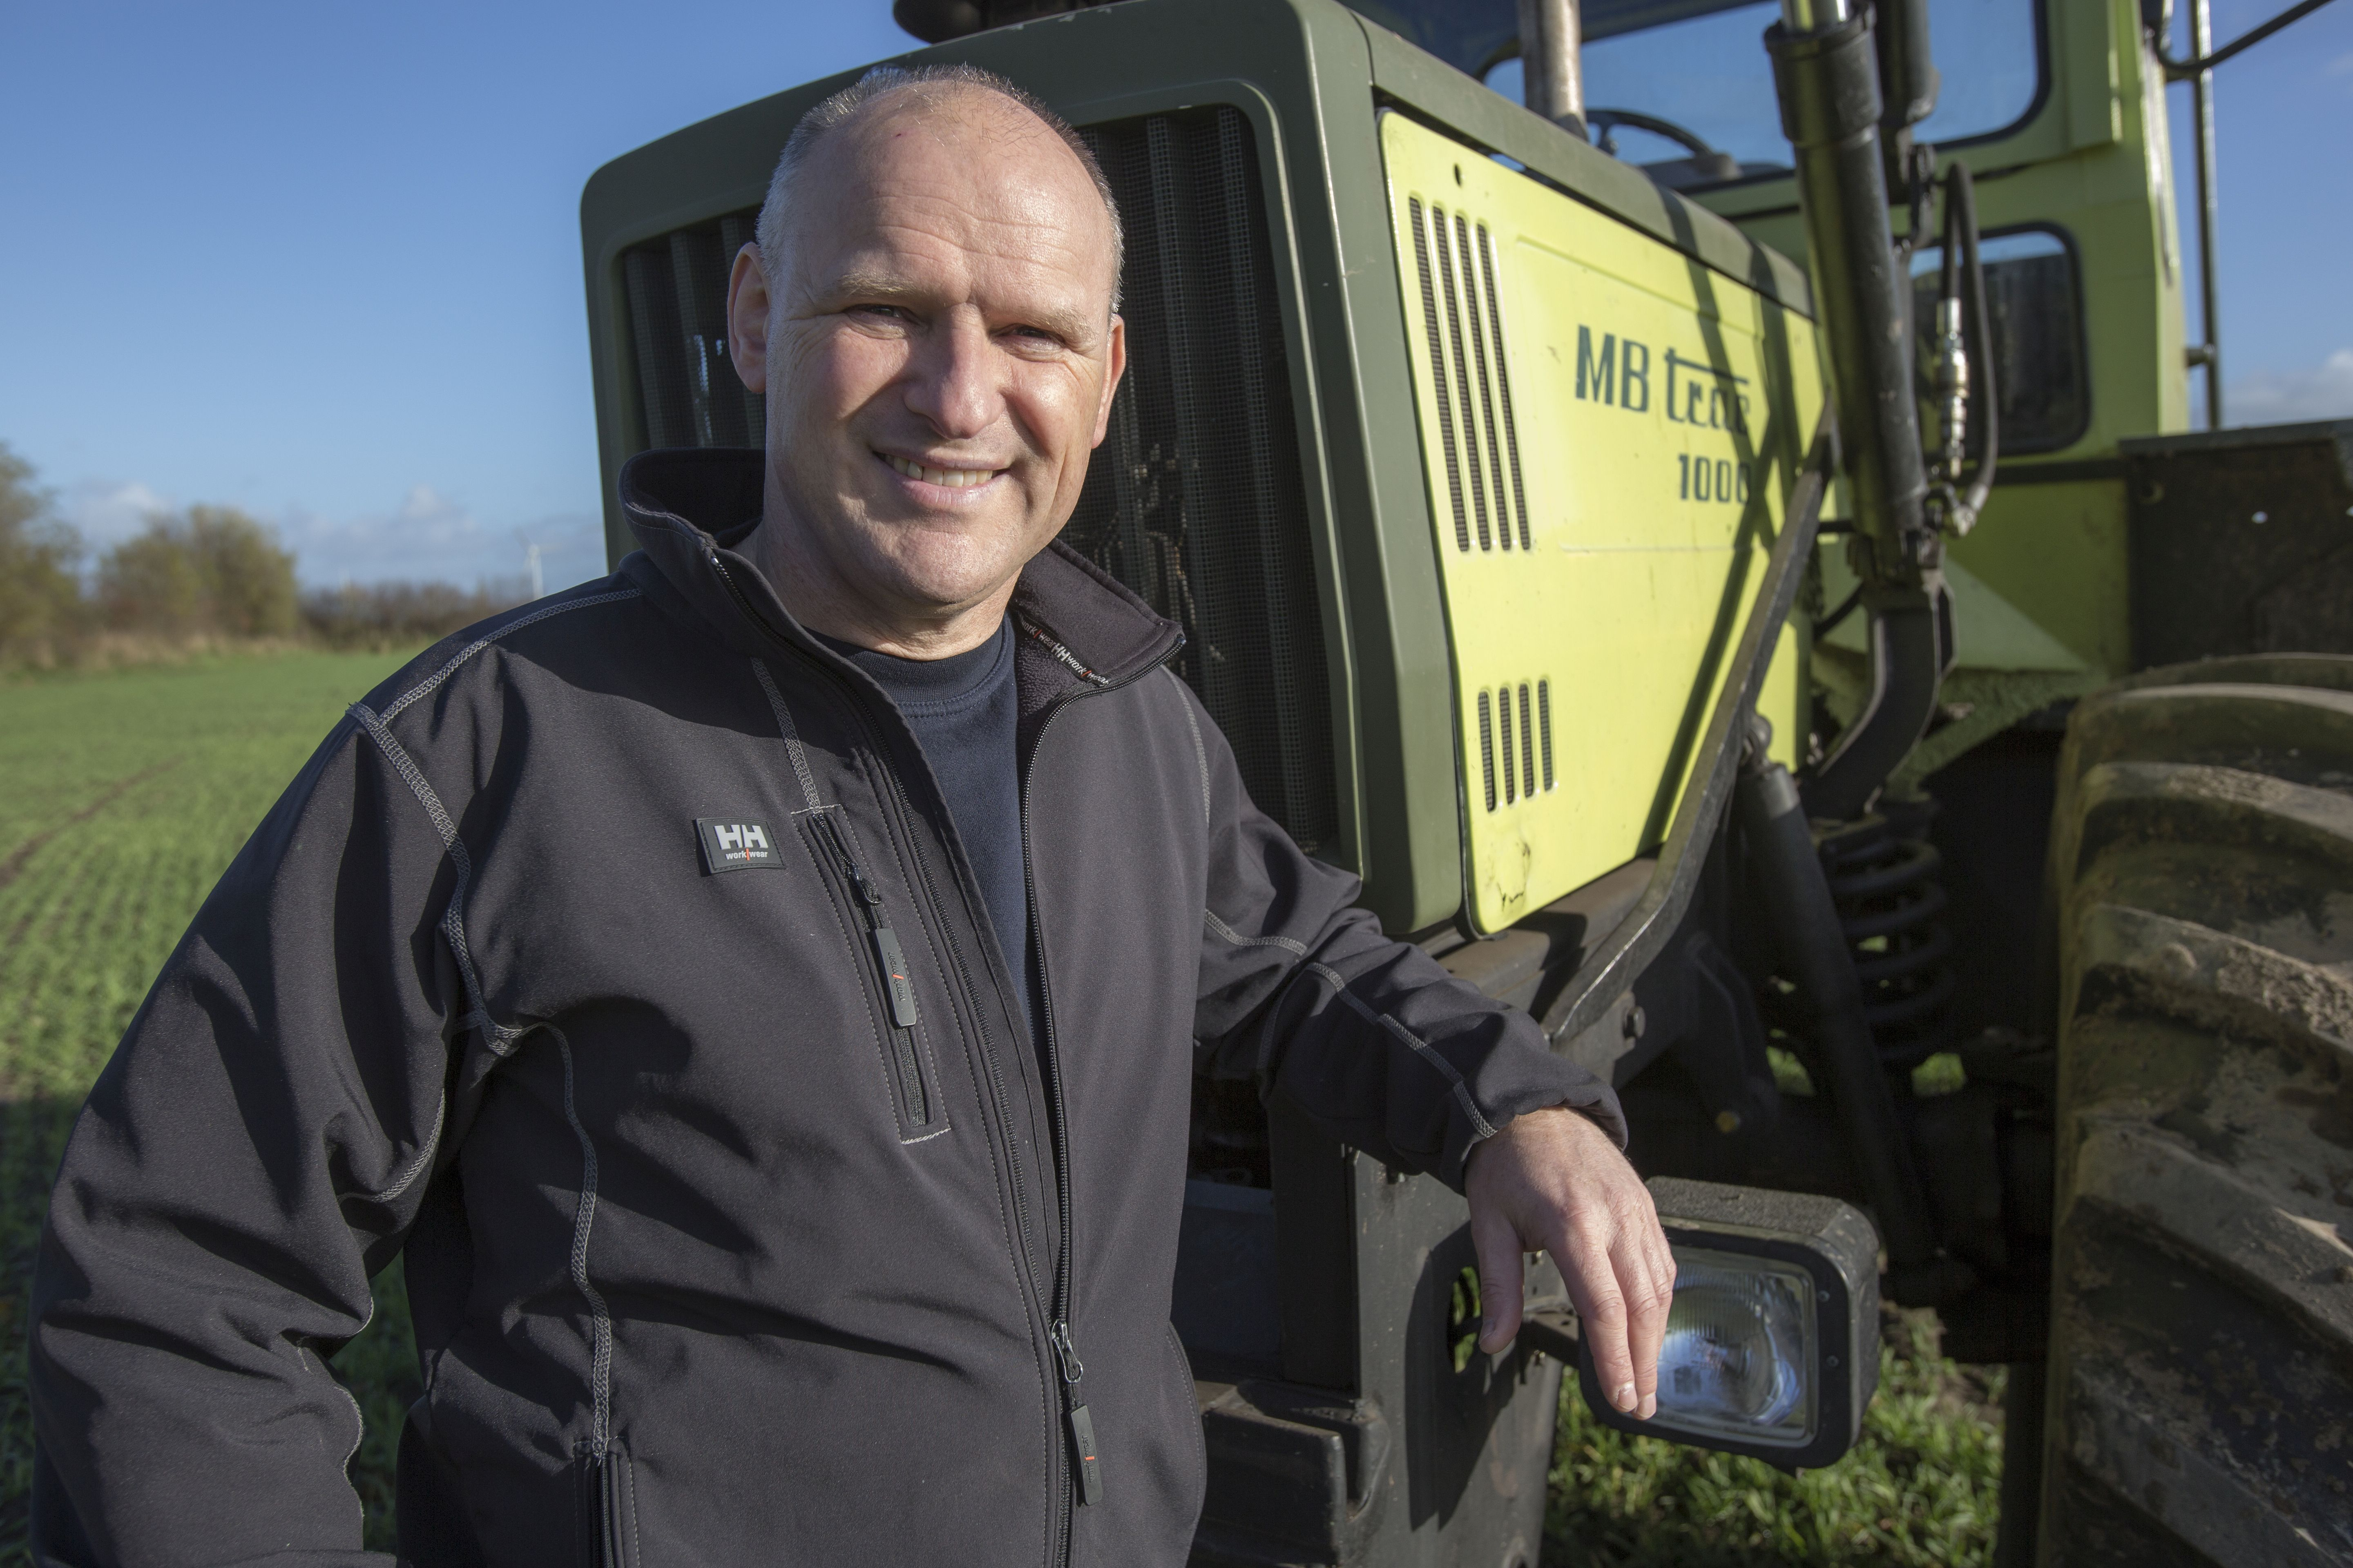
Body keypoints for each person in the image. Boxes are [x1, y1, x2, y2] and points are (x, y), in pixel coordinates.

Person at [30, 63, 1673, 1567]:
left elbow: (1297, 951)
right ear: (755, 319)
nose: (961, 398)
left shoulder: (1123, 719)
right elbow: (180, 1282)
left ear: (1101, 381)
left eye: (1032, 336)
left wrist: (1506, 1105)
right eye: (890, 308)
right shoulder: (494, 749)